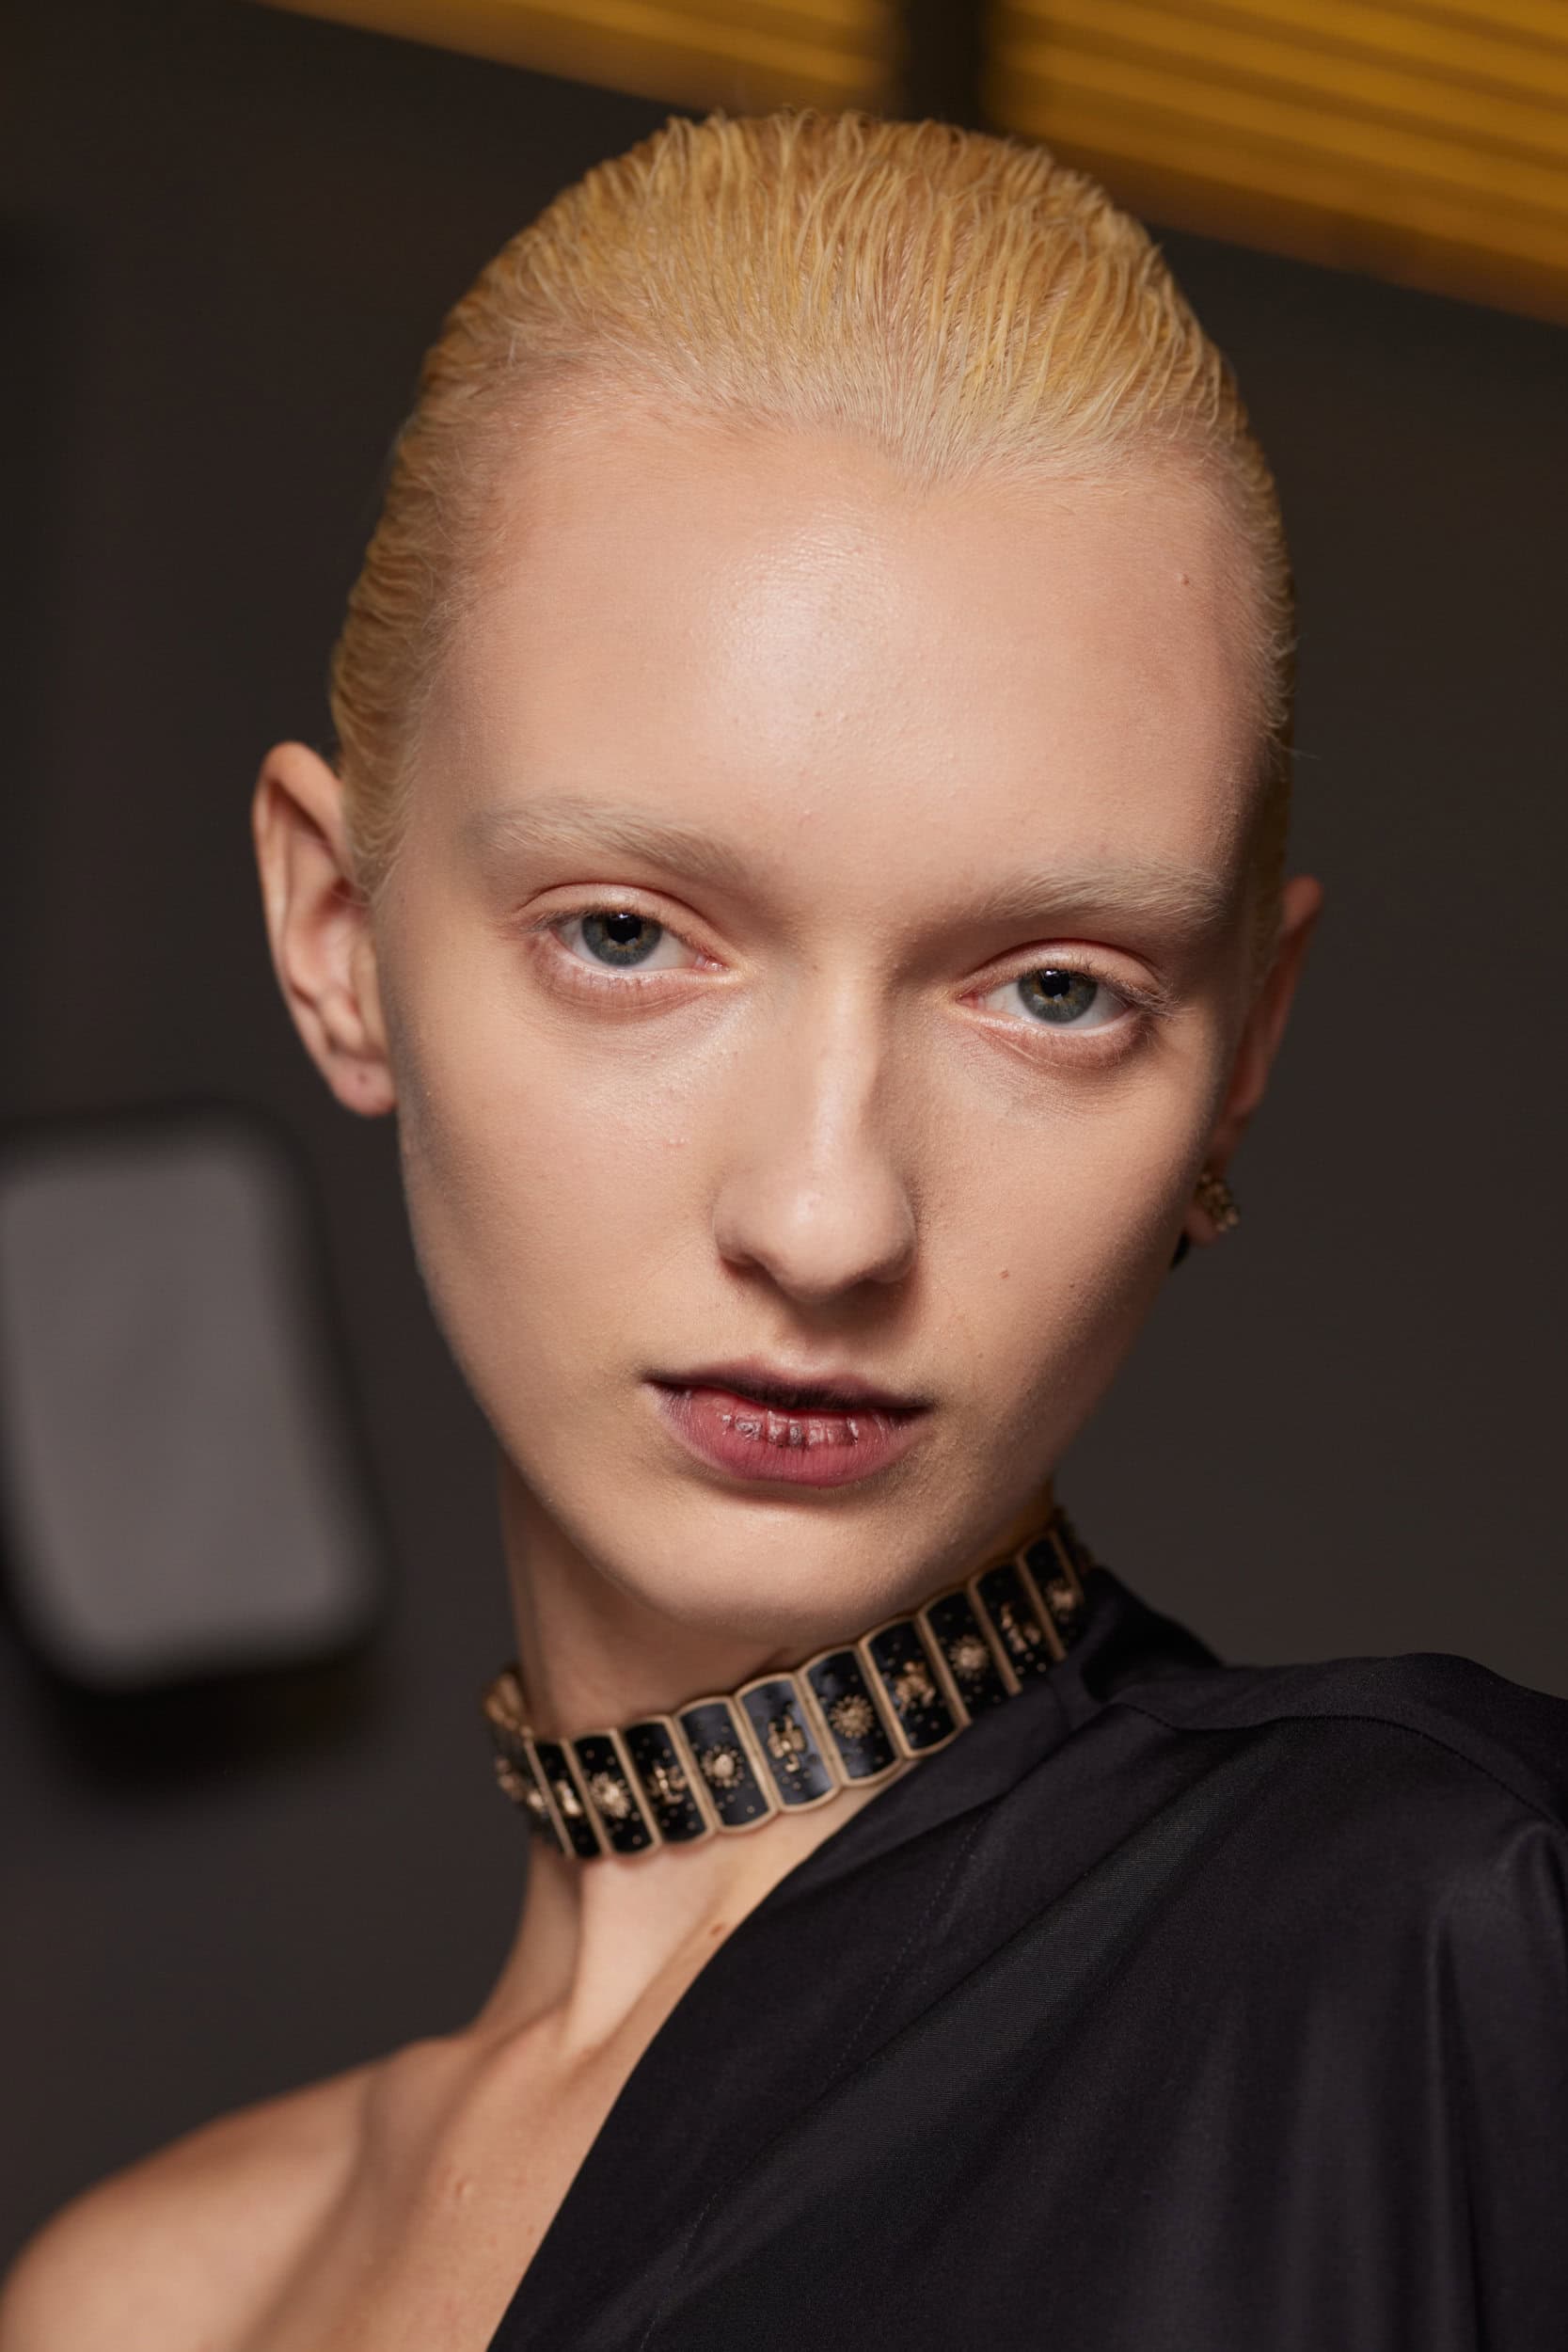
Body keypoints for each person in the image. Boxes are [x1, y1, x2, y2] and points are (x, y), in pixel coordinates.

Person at [3, 103, 1565, 2352]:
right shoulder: (148, 2300)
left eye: (1054, 990)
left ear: (1245, 1043)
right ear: (337, 935)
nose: (827, 1215)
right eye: (629, 935)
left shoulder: (1441, 1953)